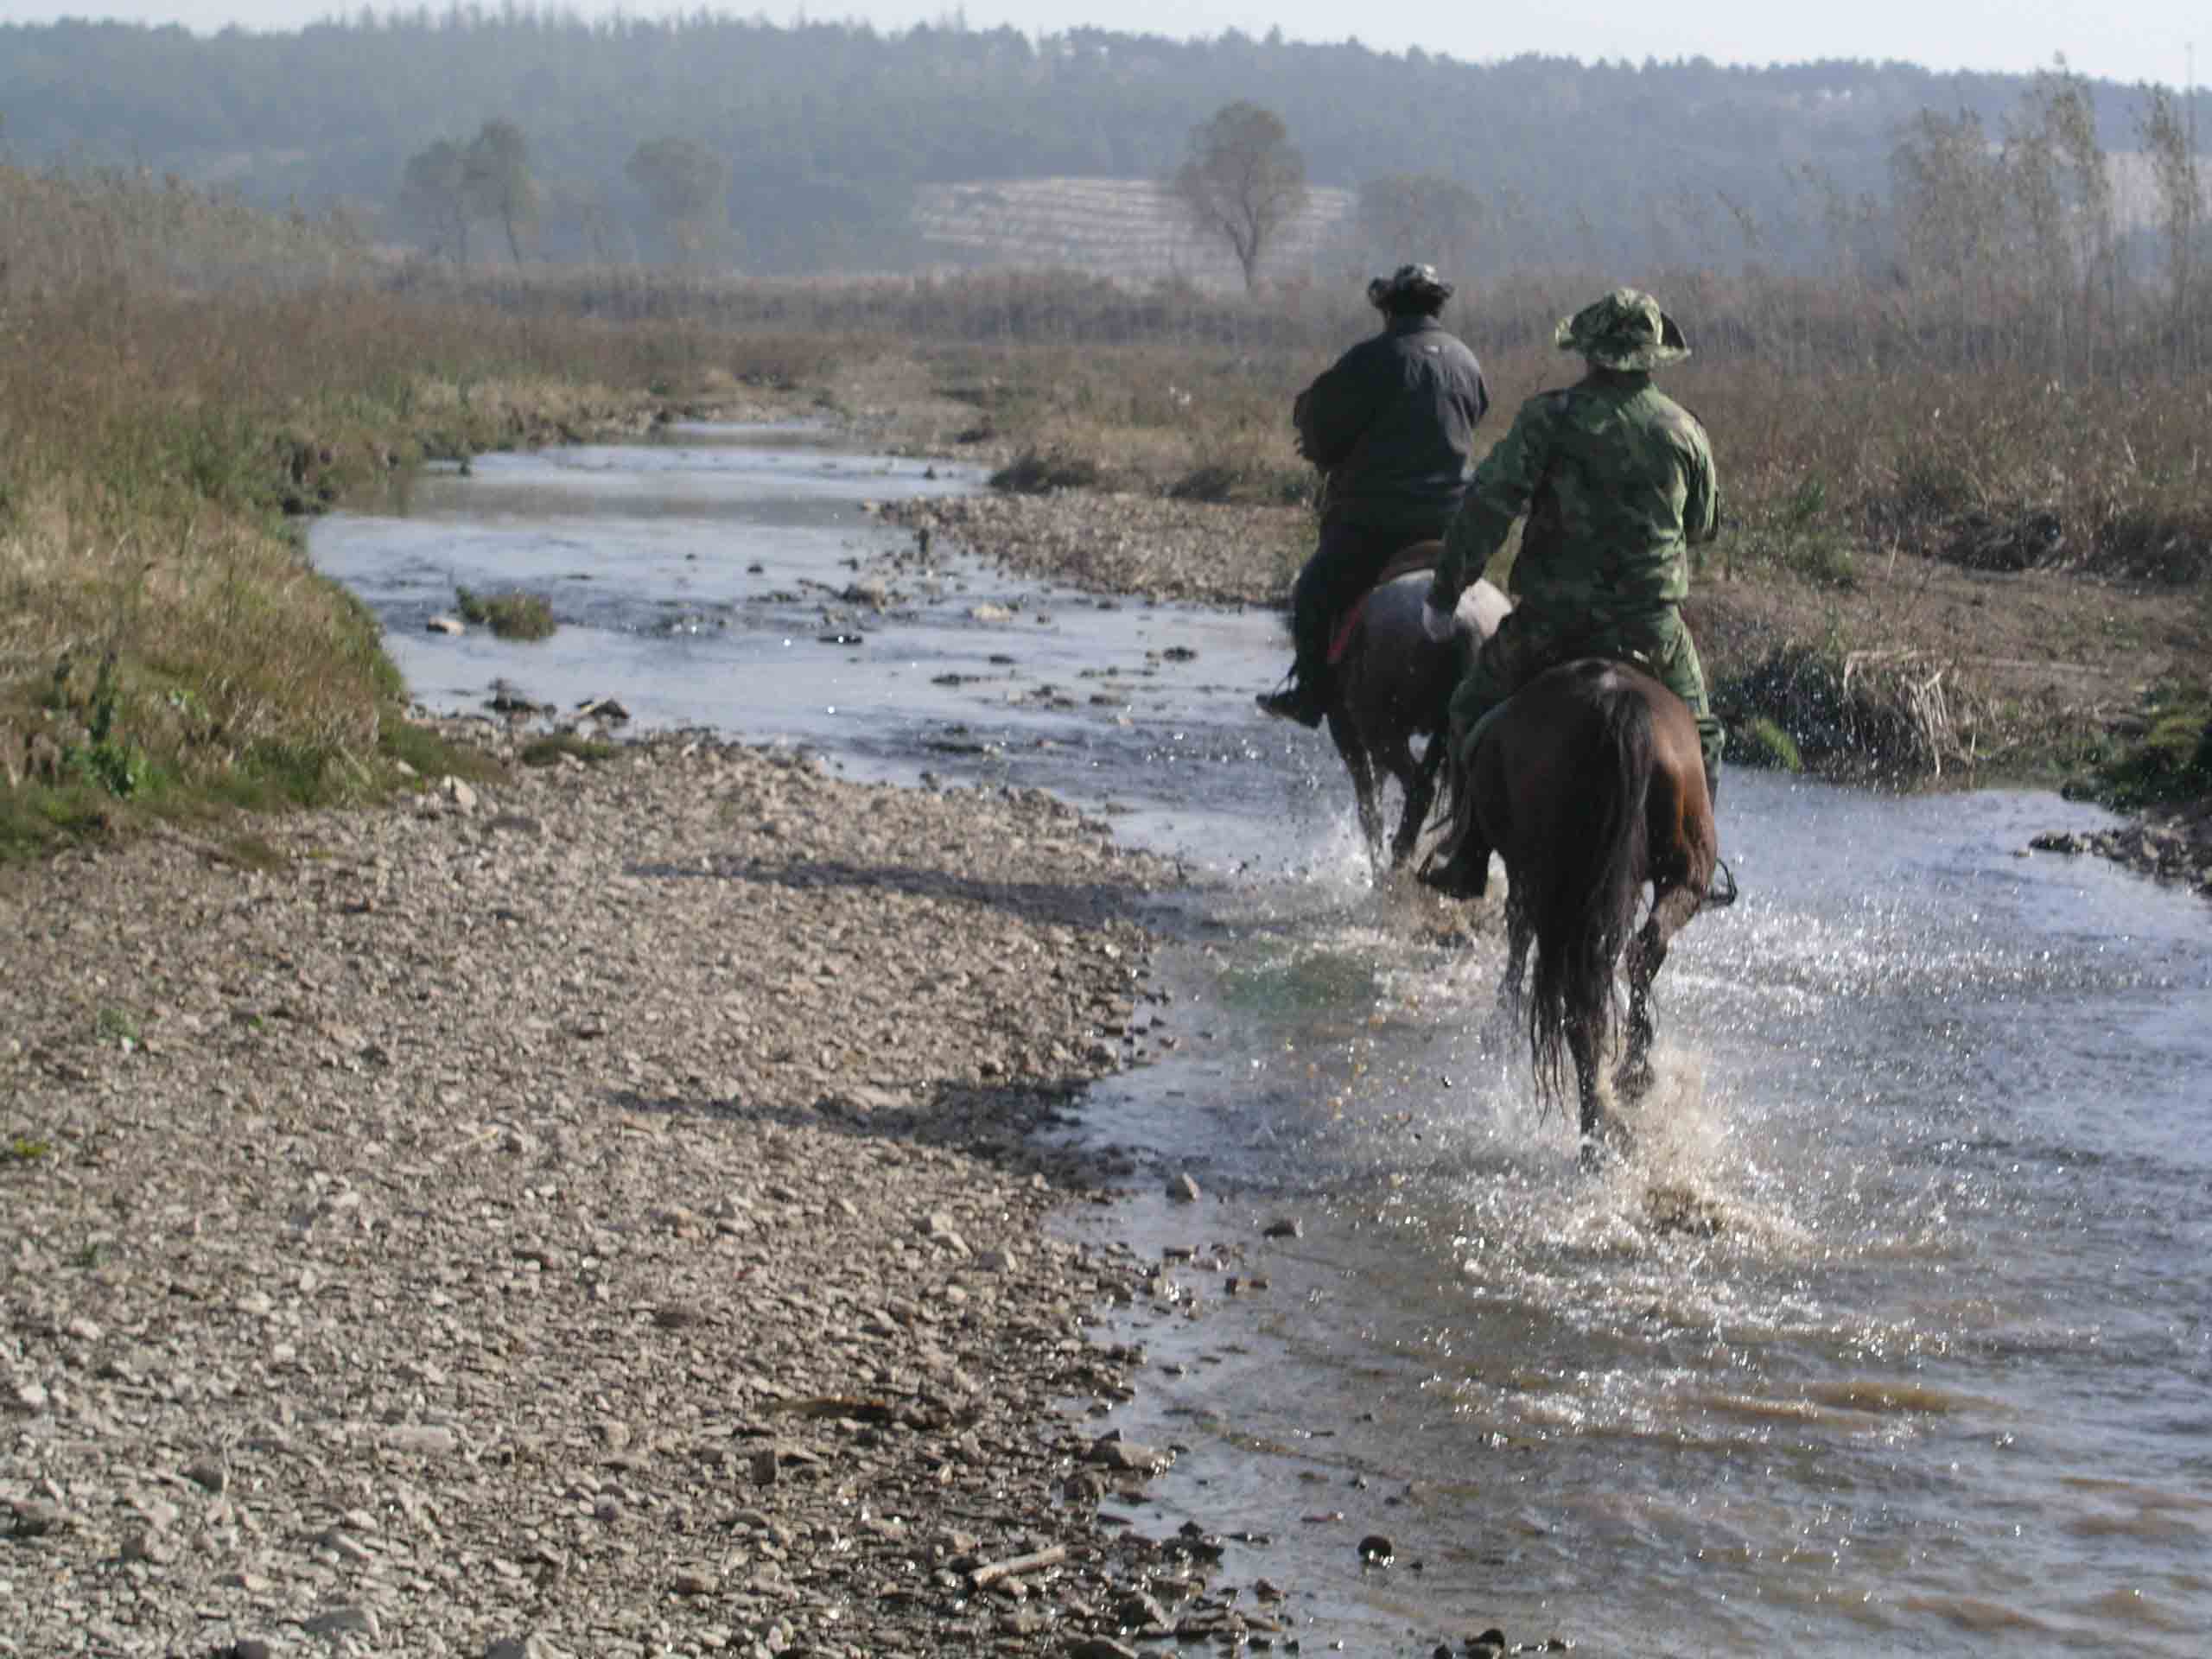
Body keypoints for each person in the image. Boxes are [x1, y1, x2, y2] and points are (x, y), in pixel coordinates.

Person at [1419, 286, 1726, 895]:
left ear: (1588, 353)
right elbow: (1703, 528)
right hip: (1651, 629)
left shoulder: (1547, 418)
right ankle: (1696, 866)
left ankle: (1468, 854)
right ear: (1653, 357)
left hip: (1550, 625)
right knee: (1706, 735)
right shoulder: (1685, 431)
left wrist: (1447, 588)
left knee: (1469, 709)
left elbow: (1488, 506)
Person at [1255, 264, 1490, 727]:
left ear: (1386, 308)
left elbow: (1319, 428)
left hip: (1376, 525)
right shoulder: (1467, 362)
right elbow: (1473, 418)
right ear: (1437, 307)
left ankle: (1310, 693)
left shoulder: (1371, 359)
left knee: (1314, 591)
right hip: (1453, 525)